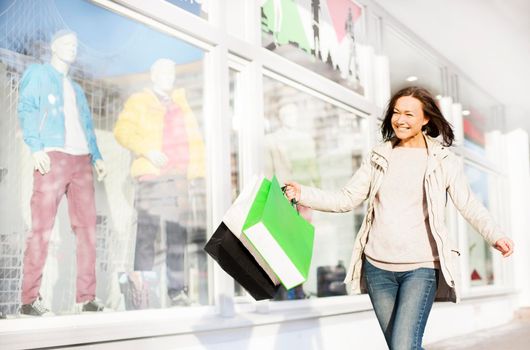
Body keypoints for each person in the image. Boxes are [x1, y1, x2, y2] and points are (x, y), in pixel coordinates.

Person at [283, 86, 514, 349]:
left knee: (404, 345)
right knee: (401, 346)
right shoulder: (379, 155)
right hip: (378, 268)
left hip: (421, 267)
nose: (400, 120)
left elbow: (469, 204)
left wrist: (495, 234)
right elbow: (346, 199)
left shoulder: (443, 160)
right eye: (396, 112)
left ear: (426, 118)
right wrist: (304, 193)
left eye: (408, 114)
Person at [17, 29, 107, 316]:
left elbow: (87, 126)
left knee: (87, 230)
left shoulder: (77, 88)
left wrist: (97, 156)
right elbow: (27, 107)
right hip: (53, 155)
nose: (72, 48)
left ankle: (86, 297)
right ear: (54, 46)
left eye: (75, 45)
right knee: (41, 227)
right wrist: (35, 146)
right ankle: (29, 299)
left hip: (82, 160)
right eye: (66, 43)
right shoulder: (39, 73)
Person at [113, 58, 205, 307]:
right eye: (163, 72)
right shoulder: (139, 101)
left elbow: (194, 141)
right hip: (152, 176)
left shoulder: (181, 104)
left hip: (178, 178)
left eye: (172, 72)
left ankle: (177, 292)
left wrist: (195, 174)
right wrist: (148, 150)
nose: (169, 76)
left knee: (177, 236)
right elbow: (122, 131)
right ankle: (142, 293)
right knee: (147, 234)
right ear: (153, 75)